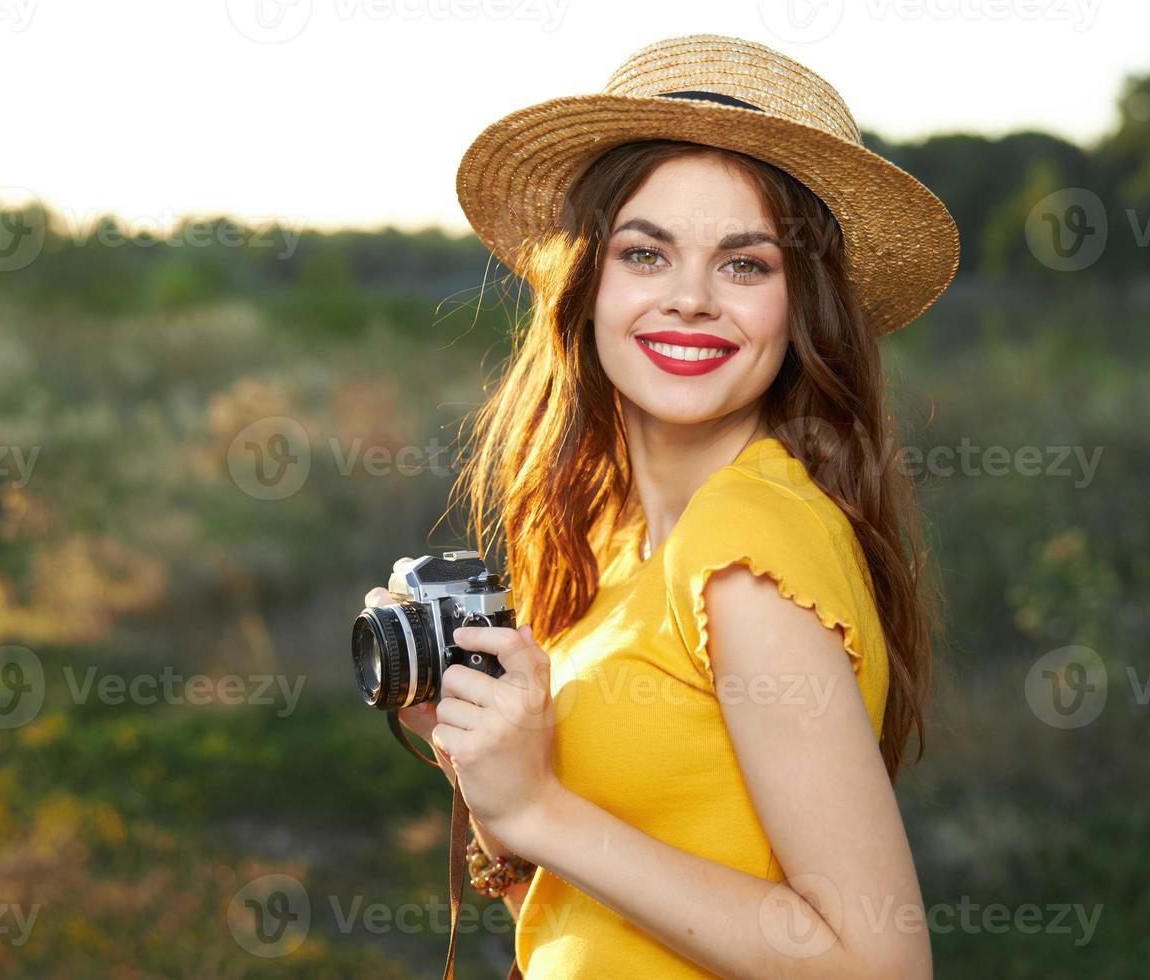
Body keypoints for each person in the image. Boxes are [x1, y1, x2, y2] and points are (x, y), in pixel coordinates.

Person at [367, 33, 958, 979]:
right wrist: (498, 790)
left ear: (802, 306)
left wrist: (539, 810)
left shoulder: (745, 553)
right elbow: (598, 920)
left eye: (745, 264)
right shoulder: (609, 527)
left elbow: (876, 964)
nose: (689, 299)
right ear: (588, 281)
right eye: (647, 253)